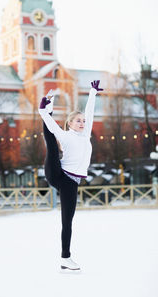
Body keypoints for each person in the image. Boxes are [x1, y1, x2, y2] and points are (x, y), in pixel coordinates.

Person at [38, 81, 103, 272]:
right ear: (70, 123)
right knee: (51, 142)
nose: (82, 123)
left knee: (67, 221)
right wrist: (45, 109)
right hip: (59, 174)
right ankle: (66, 258)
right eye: (78, 121)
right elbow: (50, 125)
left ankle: (65, 258)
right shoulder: (66, 135)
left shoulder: (86, 136)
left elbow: (90, 113)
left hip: (72, 182)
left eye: (83, 121)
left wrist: (92, 92)